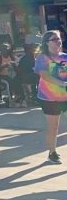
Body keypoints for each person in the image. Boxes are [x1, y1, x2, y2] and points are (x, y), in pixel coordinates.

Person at [34, 31, 67, 164]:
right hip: (49, 97)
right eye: (54, 39)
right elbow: (45, 75)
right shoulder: (42, 58)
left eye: (59, 39)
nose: (58, 41)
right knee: (54, 126)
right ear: (47, 42)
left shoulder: (65, 56)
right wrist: (62, 83)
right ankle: (52, 152)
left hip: (65, 97)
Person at [19, 37, 41, 105]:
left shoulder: (34, 56)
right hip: (26, 76)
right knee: (40, 77)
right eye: (35, 48)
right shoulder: (27, 57)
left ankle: (37, 96)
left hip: (32, 74)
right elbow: (32, 68)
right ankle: (36, 96)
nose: (36, 50)